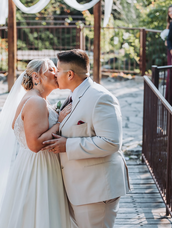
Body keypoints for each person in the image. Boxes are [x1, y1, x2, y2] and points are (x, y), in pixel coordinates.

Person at [0, 59, 76, 228]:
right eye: (51, 70)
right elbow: (35, 145)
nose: (56, 73)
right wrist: (60, 123)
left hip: (30, 165)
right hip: (39, 168)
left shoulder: (35, 98)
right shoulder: (36, 101)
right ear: (36, 76)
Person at [42, 49, 130, 228]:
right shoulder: (74, 94)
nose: (55, 74)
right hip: (80, 187)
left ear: (70, 74)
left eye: (58, 70)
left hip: (97, 190)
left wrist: (68, 145)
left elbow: (111, 142)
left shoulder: (100, 97)